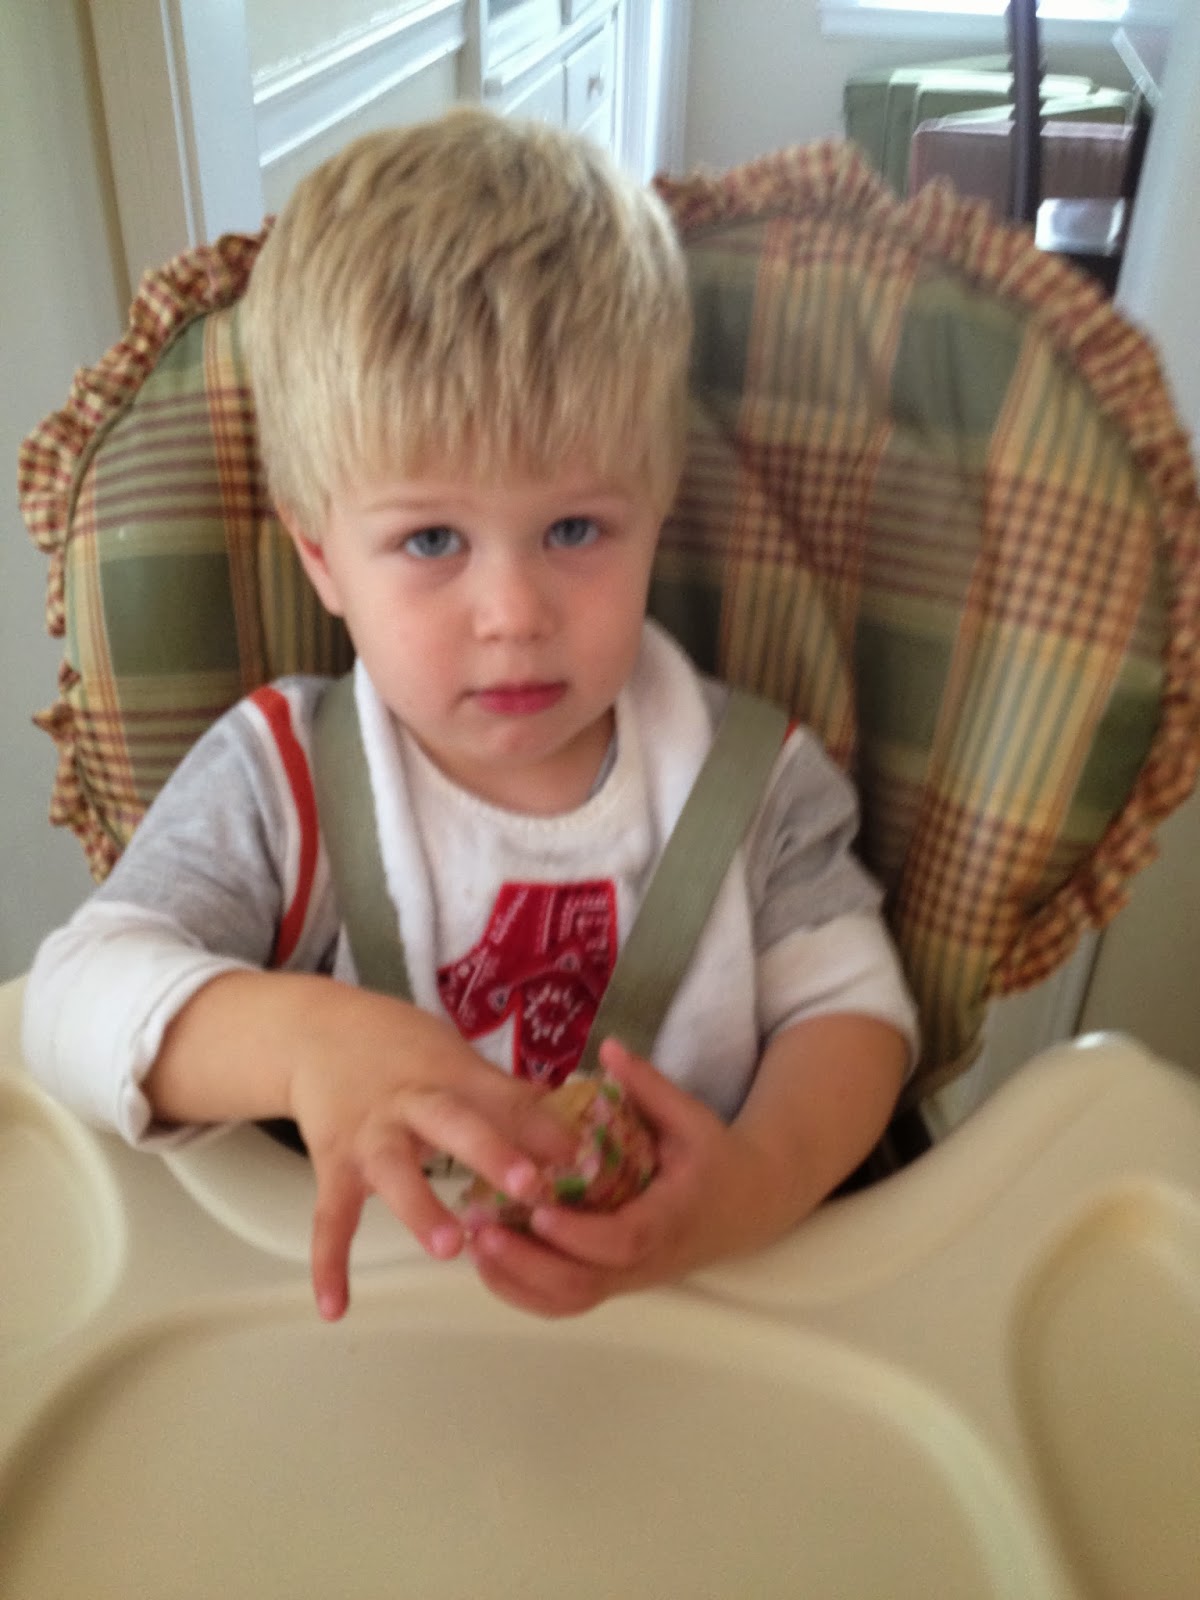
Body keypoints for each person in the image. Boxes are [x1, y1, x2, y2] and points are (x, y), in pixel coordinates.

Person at [22, 108, 917, 1323]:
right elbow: (70, 998)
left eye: (575, 529)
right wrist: (306, 1041)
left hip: (704, 1311)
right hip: (382, 1331)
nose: (513, 613)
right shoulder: (287, 780)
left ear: (657, 508)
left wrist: (752, 1184)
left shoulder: (752, 781)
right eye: (432, 540)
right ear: (322, 556)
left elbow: (853, 1011)